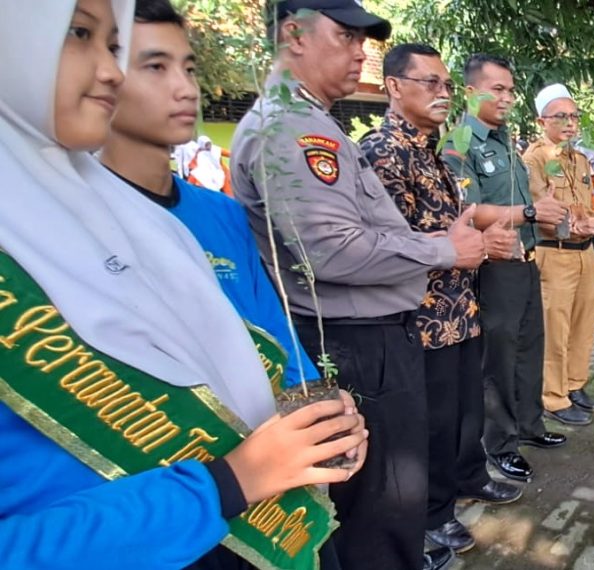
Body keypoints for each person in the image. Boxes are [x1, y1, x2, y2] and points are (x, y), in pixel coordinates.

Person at [0, 0, 366, 568]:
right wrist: (222, 484)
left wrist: (318, 415)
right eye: (79, 35)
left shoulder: (148, 221)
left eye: (113, 47)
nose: (109, 71)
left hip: (259, 513)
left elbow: (266, 338)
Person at [229, 3, 484, 569]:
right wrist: (446, 248)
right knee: (381, 508)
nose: (358, 53)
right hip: (357, 343)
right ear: (292, 35)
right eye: (345, 36)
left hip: (374, 339)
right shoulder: (291, 130)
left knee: (387, 504)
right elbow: (331, 249)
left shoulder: (314, 123)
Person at [100, 0, 319, 392]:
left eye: (189, 69)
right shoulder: (78, 218)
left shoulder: (223, 213)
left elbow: (277, 341)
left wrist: (316, 406)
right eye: (156, 67)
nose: (186, 89)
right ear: (100, 76)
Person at [358, 43, 523, 556]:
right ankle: (430, 517)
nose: (443, 94)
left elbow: (455, 222)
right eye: (429, 82)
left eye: (446, 85)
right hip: (419, 318)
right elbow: (391, 242)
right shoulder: (383, 152)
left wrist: (482, 240)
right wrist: (459, 248)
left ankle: (464, 482)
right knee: (429, 427)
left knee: (464, 415)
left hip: (459, 309)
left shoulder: (430, 150)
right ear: (393, 87)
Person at [442, 54, 568, 483]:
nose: (507, 98)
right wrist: (531, 212)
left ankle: (531, 425)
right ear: (470, 91)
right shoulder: (459, 142)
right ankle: (499, 444)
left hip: (526, 261)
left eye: (511, 91)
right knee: (497, 360)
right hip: (494, 267)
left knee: (530, 350)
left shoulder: (503, 139)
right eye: (497, 89)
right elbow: (469, 210)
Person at [522, 83, 594, 426]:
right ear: (541, 121)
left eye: (574, 116)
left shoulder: (579, 159)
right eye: (561, 117)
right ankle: (553, 397)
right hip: (554, 253)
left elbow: (588, 204)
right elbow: (543, 211)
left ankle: (575, 384)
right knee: (555, 329)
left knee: (583, 323)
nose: (571, 123)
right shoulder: (534, 160)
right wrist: (579, 226)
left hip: (584, 253)